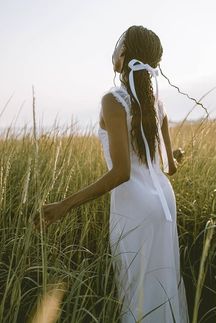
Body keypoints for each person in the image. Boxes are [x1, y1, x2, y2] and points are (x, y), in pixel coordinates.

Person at [34, 25, 189, 323]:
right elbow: (169, 167)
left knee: (137, 292)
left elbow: (121, 173)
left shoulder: (113, 101)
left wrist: (64, 205)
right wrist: (177, 156)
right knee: (164, 286)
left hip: (134, 208)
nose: (115, 49)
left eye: (119, 45)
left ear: (123, 57)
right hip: (165, 204)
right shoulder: (157, 104)